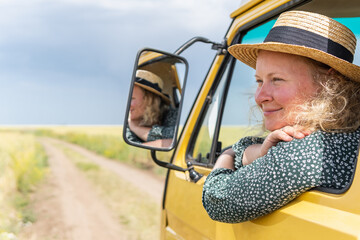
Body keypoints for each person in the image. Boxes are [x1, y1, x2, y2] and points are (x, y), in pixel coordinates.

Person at [202, 10, 360, 223]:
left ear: (328, 84)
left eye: (276, 79)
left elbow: (217, 201)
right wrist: (256, 151)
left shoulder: (308, 150)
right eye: (259, 81)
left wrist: (228, 154)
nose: (260, 97)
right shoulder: (346, 137)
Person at [126, 69, 177, 147]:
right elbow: (136, 150)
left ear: (149, 100)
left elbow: (176, 138)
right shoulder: (128, 125)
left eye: (132, 98)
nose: (127, 104)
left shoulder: (170, 114)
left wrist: (136, 128)